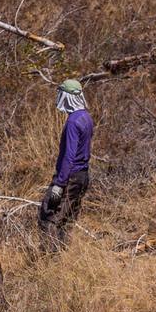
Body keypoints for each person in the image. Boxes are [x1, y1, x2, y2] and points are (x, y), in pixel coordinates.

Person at [38, 79, 94, 246]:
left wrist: (59, 184)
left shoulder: (72, 122)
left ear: (67, 97)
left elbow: (69, 156)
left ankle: (49, 259)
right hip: (83, 176)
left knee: (48, 217)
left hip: (70, 178)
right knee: (68, 219)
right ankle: (63, 258)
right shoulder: (86, 117)